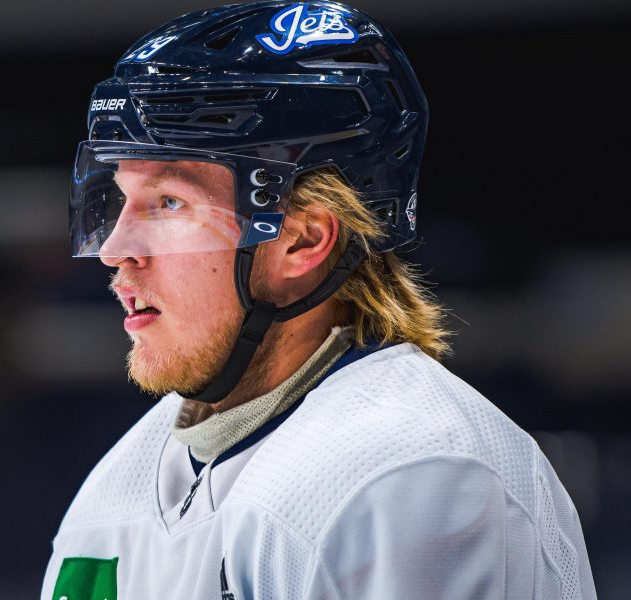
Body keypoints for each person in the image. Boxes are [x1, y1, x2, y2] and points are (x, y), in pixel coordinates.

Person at [44, 2, 597, 598]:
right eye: (121, 200)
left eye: (169, 203)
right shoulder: (116, 494)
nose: (116, 250)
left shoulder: (407, 474)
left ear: (302, 240)